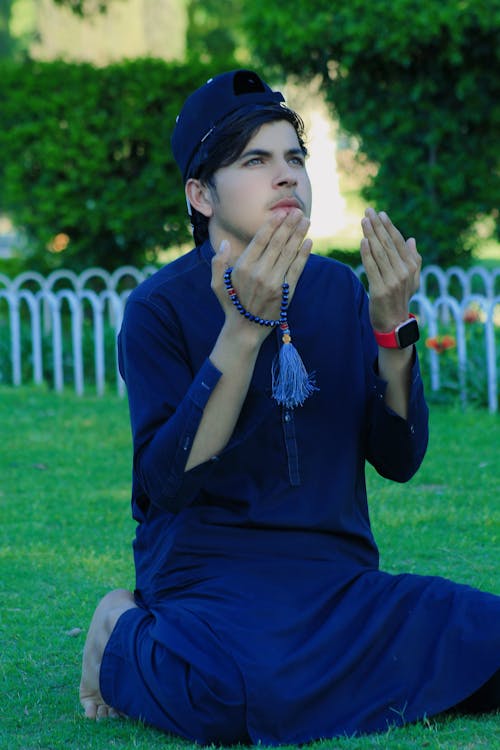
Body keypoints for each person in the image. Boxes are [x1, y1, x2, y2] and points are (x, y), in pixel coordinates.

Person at [79, 69, 499, 744]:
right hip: (211, 586)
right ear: (201, 194)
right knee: (235, 697)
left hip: (339, 589)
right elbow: (165, 484)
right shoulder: (158, 308)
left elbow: (398, 458)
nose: (287, 177)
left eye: (295, 159)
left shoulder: (337, 292)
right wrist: (242, 330)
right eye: (256, 161)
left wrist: (394, 329)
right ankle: (122, 632)